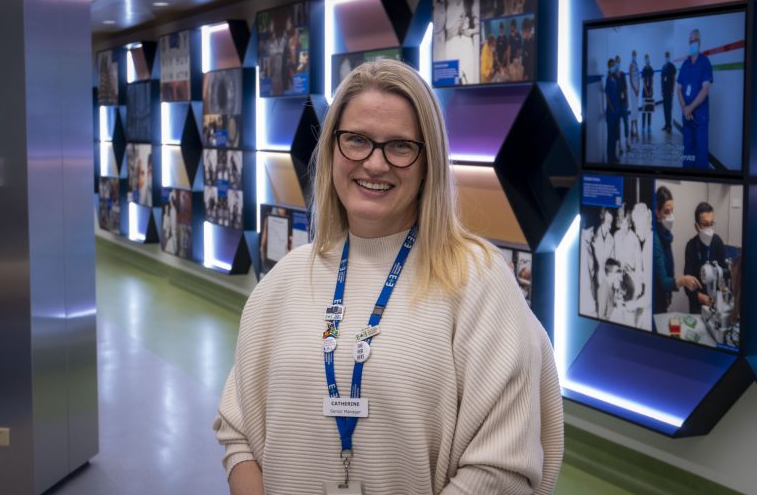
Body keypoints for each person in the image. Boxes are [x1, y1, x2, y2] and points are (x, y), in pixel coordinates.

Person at [214, 60, 563, 494]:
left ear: (427, 161)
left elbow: (501, 469)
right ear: (331, 149)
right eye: (356, 140)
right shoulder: (285, 279)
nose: (374, 164)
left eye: (399, 146)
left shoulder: (478, 281)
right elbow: (239, 433)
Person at [652, 185, 701, 314]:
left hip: (664, 299)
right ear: (657, 212)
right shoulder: (655, 239)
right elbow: (662, 281)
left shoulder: (665, 235)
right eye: (667, 212)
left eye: (672, 211)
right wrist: (684, 280)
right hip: (655, 303)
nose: (671, 216)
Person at [677, 29, 713, 169]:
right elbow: (678, 89)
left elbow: (705, 90)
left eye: (695, 40)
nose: (693, 43)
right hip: (687, 117)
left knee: (701, 156)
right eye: (691, 41)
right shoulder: (685, 65)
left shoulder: (705, 63)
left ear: (700, 42)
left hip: (700, 118)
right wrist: (684, 108)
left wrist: (689, 108)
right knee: (687, 154)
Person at [683, 202, 726, 314]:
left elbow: (724, 274)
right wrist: (701, 298)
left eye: (711, 224)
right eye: (705, 225)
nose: (709, 229)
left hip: (716, 303)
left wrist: (721, 293)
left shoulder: (718, 242)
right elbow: (687, 283)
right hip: (697, 305)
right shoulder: (691, 246)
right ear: (696, 226)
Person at [605, 58, 621, 164]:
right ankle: (610, 158)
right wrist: (612, 109)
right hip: (611, 113)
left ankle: (614, 155)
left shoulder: (614, 78)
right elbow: (607, 96)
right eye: (611, 65)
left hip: (617, 111)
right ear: (609, 67)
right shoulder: (608, 79)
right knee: (610, 136)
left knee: (615, 135)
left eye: (614, 65)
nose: (613, 67)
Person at [615, 55, 630, 153]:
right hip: (617, 105)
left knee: (626, 123)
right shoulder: (612, 76)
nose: (618, 64)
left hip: (624, 104)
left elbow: (626, 89)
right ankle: (619, 144)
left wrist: (627, 100)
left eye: (619, 62)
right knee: (618, 125)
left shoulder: (623, 75)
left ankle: (627, 141)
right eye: (616, 62)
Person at [661, 51, 676, 133]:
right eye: (665, 56)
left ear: (669, 57)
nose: (666, 57)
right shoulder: (663, 67)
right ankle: (666, 124)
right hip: (664, 92)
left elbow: (673, 79)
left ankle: (669, 126)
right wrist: (661, 90)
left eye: (667, 56)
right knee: (664, 109)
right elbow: (662, 80)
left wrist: (672, 90)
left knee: (669, 109)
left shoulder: (672, 67)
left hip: (669, 91)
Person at [628, 50, 640, 140]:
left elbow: (638, 79)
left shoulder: (637, 65)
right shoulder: (630, 65)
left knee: (635, 109)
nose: (634, 56)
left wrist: (638, 89)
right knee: (633, 109)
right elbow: (631, 80)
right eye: (633, 54)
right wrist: (635, 89)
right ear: (631, 55)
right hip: (633, 90)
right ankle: (632, 129)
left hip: (637, 90)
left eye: (635, 54)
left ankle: (634, 129)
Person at [641, 54, 655, 133]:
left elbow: (652, 80)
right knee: (644, 109)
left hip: (650, 91)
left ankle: (649, 126)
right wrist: (646, 91)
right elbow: (643, 81)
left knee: (649, 109)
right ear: (644, 60)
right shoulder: (643, 70)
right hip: (644, 91)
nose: (647, 60)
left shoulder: (651, 69)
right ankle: (643, 126)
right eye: (645, 59)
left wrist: (650, 90)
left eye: (648, 58)